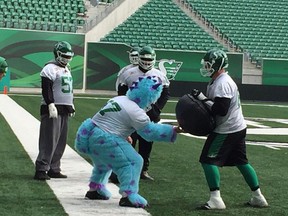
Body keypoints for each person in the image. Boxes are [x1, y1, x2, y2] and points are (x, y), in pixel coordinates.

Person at [75, 76, 183, 208]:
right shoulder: (136, 111)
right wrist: (173, 130)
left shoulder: (119, 99)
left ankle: (95, 189)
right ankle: (129, 196)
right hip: (106, 137)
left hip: (91, 134)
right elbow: (149, 132)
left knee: (103, 162)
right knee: (134, 161)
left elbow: (109, 118)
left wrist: (124, 135)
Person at [192, 48, 268, 210]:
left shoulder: (223, 83)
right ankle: (258, 197)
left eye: (208, 65)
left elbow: (220, 109)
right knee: (242, 162)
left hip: (227, 129)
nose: (205, 68)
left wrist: (202, 99)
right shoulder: (219, 80)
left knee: (208, 160)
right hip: (237, 127)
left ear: (217, 65)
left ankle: (216, 200)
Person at [116, 45, 170, 181]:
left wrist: (157, 108)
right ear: (139, 58)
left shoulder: (159, 75)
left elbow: (165, 93)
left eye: (149, 59)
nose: (147, 61)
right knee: (128, 142)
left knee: (147, 143)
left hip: (149, 114)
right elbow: (121, 93)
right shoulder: (128, 73)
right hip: (131, 114)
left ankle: (143, 170)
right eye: (144, 58)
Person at [34, 41, 75, 180]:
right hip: (52, 109)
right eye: (64, 55)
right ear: (57, 54)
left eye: (69, 56)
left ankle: (54, 167)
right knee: (49, 140)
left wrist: (71, 104)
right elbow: (46, 87)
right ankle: (41, 168)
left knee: (60, 141)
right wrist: (50, 103)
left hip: (64, 109)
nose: (66, 58)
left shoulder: (67, 69)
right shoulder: (49, 68)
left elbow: (67, 89)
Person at [109, 46, 141, 184]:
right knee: (125, 141)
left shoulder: (151, 72)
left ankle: (140, 171)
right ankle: (117, 171)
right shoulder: (125, 71)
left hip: (141, 110)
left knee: (142, 143)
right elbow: (119, 89)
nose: (134, 58)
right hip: (128, 110)